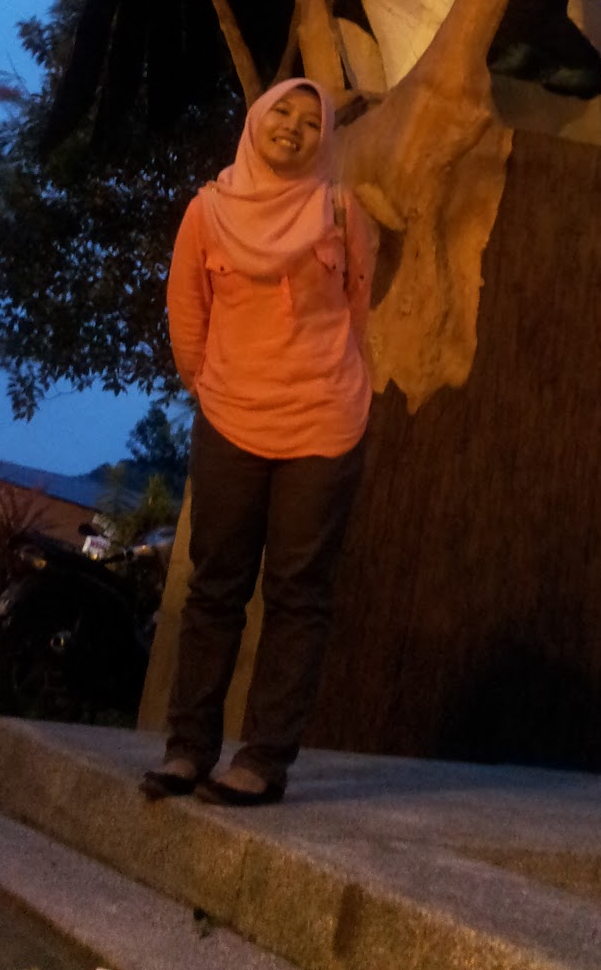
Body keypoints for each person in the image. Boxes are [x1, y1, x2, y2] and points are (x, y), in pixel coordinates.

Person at [141, 77, 375, 807]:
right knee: (215, 586)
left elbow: (360, 308)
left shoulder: (343, 209)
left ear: (324, 138)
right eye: (284, 112)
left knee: (299, 594)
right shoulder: (207, 212)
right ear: (257, 120)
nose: (295, 128)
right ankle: (187, 750)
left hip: (323, 424)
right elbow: (187, 311)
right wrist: (216, 387)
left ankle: (264, 761)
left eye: (311, 121)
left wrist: (337, 386)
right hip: (231, 420)